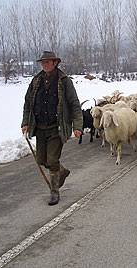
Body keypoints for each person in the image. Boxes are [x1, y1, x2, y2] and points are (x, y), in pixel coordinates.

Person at [21, 51, 83, 206]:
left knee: (52, 159)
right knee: (41, 159)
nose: (45, 64)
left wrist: (77, 126)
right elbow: (28, 103)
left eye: (48, 62)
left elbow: (74, 104)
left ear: (55, 63)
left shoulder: (64, 81)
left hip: (57, 127)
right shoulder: (36, 81)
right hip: (40, 127)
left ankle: (54, 192)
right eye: (43, 62)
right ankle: (61, 172)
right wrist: (25, 122)